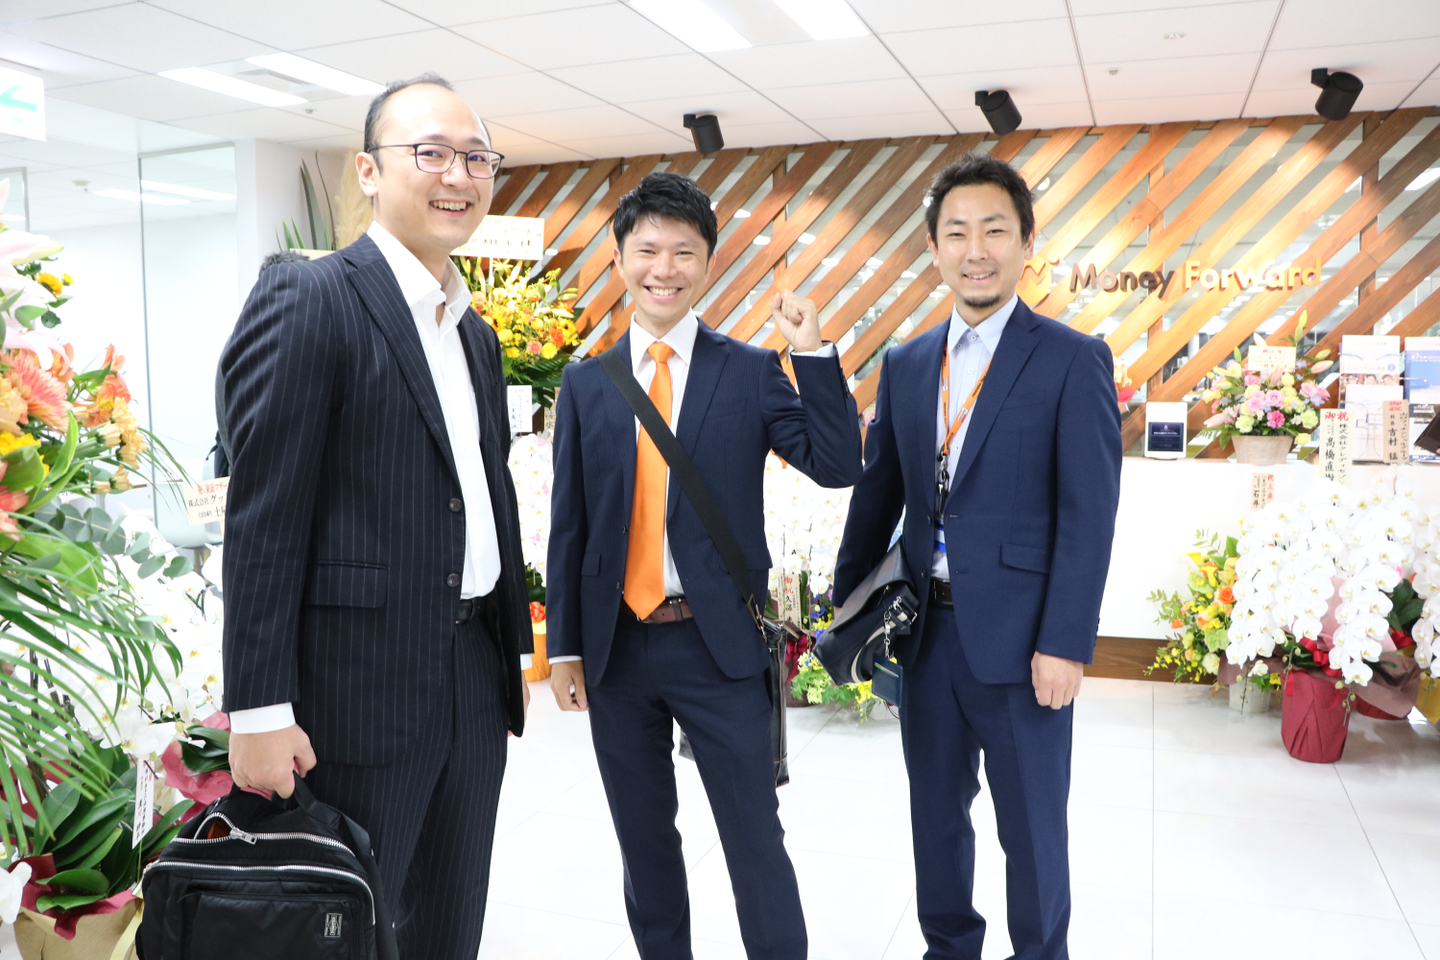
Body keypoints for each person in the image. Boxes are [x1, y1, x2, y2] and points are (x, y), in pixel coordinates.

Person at [220, 74, 531, 960]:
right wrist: (258, 709)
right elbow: (264, 516)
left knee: (449, 926)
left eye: (476, 158)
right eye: (430, 153)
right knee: (342, 933)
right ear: (368, 170)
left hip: (472, 679)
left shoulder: (474, 333)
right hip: (355, 696)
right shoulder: (313, 298)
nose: (457, 176)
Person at [546, 171, 862, 960]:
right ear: (620, 258)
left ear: (709, 262)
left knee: (754, 840)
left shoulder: (749, 371)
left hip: (717, 643)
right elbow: (572, 525)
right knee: (644, 844)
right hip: (617, 650)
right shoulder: (587, 383)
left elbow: (837, 464)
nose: (665, 268)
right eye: (648, 249)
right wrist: (565, 647)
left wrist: (812, 352)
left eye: (684, 252)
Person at [832, 153, 1122, 960]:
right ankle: (948, 947)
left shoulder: (1071, 359)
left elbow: (1089, 515)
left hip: (1025, 646)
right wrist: (846, 613)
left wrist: (1065, 642)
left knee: (1032, 829)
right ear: (933, 249)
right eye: (956, 233)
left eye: (995, 230)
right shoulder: (907, 362)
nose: (976, 250)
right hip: (926, 638)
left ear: (1027, 243)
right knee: (935, 819)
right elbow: (878, 494)